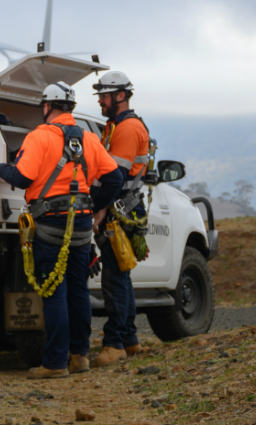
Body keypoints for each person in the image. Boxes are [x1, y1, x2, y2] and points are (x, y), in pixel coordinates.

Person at [0, 82, 123, 379]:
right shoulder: (89, 139)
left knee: (53, 292)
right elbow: (114, 178)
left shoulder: (39, 137)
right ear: (71, 108)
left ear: (47, 107)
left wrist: (0, 167)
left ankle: (54, 363)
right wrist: (97, 207)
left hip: (51, 223)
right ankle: (79, 356)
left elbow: (23, 177)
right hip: (81, 224)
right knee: (78, 291)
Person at [91, 70, 150, 367]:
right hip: (125, 208)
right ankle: (129, 339)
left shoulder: (126, 129)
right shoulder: (115, 126)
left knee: (114, 277)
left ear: (120, 95)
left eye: (104, 95)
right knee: (121, 275)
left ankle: (114, 343)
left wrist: (99, 209)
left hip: (120, 209)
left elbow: (114, 177)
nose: (100, 101)